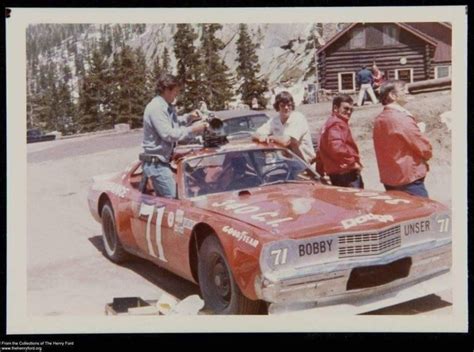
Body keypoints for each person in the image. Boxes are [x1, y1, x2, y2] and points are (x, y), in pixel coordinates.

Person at [141, 74, 208, 198]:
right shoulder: (156, 108)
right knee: (175, 200)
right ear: (167, 90)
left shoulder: (164, 106)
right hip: (157, 164)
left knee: (166, 202)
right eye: (175, 92)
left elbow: (173, 124)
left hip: (162, 162)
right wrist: (193, 129)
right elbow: (169, 134)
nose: (176, 96)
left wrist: (189, 117)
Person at [373, 80, 432, 197]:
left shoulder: (379, 119)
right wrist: (427, 155)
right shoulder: (401, 117)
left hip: (389, 178)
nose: (407, 92)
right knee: (422, 211)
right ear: (392, 95)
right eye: (403, 90)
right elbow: (422, 146)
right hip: (408, 177)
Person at [252, 91, 315, 166]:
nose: (286, 108)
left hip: (307, 166)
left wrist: (269, 137)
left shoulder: (298, 118)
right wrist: (260, 137)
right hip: (287, 164)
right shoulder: (274, 121)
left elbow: (286, 141)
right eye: (282, 105)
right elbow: (254, 135)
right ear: (277, 107)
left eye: (289, 105)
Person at [315, 94, 364, 188]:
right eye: (346, 108)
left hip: (335, 174)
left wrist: (320, 171)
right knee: (355, 201)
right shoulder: (336, 124)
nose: (349, 112)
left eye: (351, 109)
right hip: (346, 174)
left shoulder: (327, 124)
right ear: (335, 108)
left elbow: (320, 150)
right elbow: (337, 147)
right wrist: (353, 163)